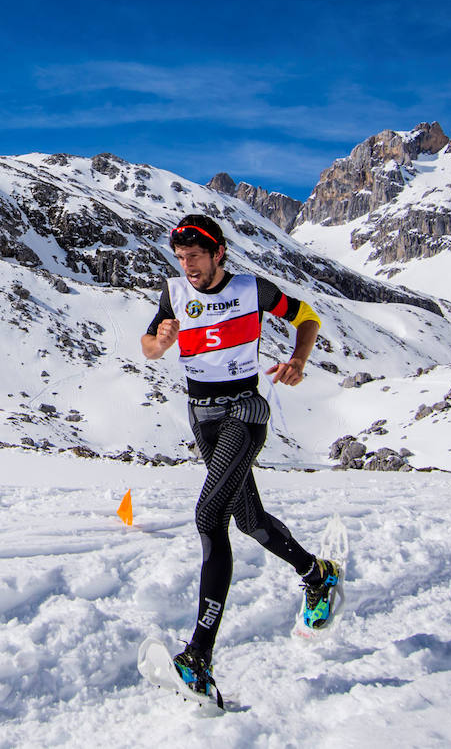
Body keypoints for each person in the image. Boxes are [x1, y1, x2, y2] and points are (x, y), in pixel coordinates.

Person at [141, 214, 341, 702]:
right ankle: (318, 574)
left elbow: (307, 316)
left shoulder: (253, 290)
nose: (188, 266)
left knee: (209, 517)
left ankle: (199, 660)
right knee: (248, 519)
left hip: (244, 411)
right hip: (202, 418)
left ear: (218, 254)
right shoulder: (173, 293)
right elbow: (148, 346)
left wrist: (298, 360)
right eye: (181, 257)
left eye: (196, 257)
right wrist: (161, 343)